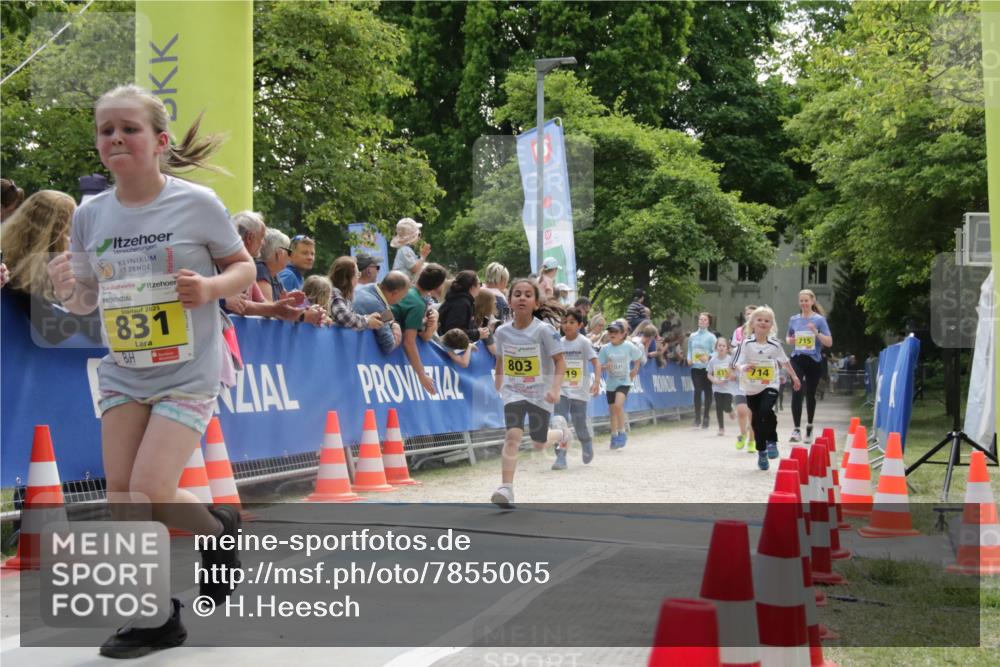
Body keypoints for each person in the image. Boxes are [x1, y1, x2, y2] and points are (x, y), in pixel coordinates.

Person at [45, 84, 255, 657]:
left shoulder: (197, 204)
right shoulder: (90, 214)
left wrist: (209, 286)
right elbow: (88, 302)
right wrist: (69, 290)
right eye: (105, 129)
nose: (115, 137)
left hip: (188, 369)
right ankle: (157, 619)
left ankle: (216, 530)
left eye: (128, 128)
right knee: (122, 497)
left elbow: (244, 267)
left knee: (151, 488)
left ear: (160, 142)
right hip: (124, 369)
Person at [491, 278, 568, 507]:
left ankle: (561, 434)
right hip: (513, 392)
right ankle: (506, 488)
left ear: (535, 303)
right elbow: (501, 360)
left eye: (527, 294)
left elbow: (560, 362)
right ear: (510, 301)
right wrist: (498, 382)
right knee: (512, 436)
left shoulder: (545, 331)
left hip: (540, 393)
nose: (522, 298)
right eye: (517, 294)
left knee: (538, 442)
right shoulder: (502, 332)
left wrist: (555, 389)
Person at [1, 190, 102, 344]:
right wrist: (91, 308)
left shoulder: (14, 263)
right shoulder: (21, 277)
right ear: (56, 234)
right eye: (71, 229)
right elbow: (53, 331)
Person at [731, 306, 801, 471]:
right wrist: (743, 368)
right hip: (751, 387)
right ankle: (762, 452)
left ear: (771, 325)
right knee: (756, 419)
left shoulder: (775, 345)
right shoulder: (746, 343)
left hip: (770, 383)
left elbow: (784, 361)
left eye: (767, 321)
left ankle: (771, 442)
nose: (763, 323)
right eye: (759, 320)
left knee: (764, 410)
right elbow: (734, 363)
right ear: (752, 323)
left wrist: (794, 376)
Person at [786, 289, 833, 444]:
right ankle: (796, 429)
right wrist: (790, 340)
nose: (804, 303)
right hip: (797, 358)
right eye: (801, 301)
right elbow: (788, 337)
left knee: (810, 394)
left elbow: (829, 342)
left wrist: (816, 332)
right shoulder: (794, 319)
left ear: (812, 301)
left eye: (806, 300)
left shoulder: (819, 320)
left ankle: (809, 426)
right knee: (797, 391)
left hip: (813, 360)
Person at [555, 308, 600, 468]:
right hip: (561, 389)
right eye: (565, 322)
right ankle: (561, 456)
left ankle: (586, 441)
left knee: (579, 422)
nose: (567, 325)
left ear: (580, 325)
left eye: (572, 322)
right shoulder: (558, 343)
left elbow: (596, 362)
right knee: (559, 422)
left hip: (579, 390)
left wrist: (596, 383)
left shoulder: (584, 342)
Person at [391, 262, 446, 395]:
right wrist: (422, 375)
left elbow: (422, 335)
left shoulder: (410, 293)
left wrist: (427, 322)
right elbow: (409, 342)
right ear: (437, 287)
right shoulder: (417, 304)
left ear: (420, 275)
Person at [598, 319, 644, 449]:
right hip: (611, 383)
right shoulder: (605, 349)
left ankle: (622, 432)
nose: (612, 334)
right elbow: (598, 365)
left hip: (624, 381)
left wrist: (635, 369)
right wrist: (605, 366)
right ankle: (613, 436)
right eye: (610, 331)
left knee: (618, 405)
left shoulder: (628, 346)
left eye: (615, 332)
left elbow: (638, 356)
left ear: (623, 334)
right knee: (612, 411)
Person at [353, 270, 409, 354]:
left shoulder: (371, 287)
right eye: (403, 296)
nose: (401, 300)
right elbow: (388, 345)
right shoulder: (377, 306)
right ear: (395, 293)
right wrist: (395, 330)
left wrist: (393, 322)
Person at [326, 256, 382, 331]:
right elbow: (346, 318)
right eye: (357, 274)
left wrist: (368, 318)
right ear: (347, 278)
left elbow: (352, 316)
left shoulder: (343, 296)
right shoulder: (334, 294)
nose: (358, 277)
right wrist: (367, 321)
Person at [437, 269, 490, 343]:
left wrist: (476, 330)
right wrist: (477, 334)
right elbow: (454, 332)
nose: (480, 287)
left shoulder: (460, 299)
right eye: (479, 283)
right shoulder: (461, 303)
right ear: (472, 287)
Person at [687, 312, 717, 429]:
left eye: (704, 320)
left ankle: (706, 416)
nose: (702, 321)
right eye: (700, 319)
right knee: (697, 390)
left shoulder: (711, 337)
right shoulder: (692, 336)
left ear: (709, 322)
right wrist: (689, 358)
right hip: (695, 367)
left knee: (708, 390)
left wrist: (709, 357)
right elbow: (689, 349)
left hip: (707, 368)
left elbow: (715, 352)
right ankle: (697, 417)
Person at [706, 337, 738, 437]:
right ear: (716, 348)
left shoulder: (730, 359)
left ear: (727, 348)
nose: (721, 348)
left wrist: (732, 375)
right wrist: (714, 380)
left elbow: (735, 372)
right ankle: (721, 428)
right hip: (717, 388)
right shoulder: (713, 361)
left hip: (729, 387)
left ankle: (730, 409)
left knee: (726, 406)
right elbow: (709, 374)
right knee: (718, 406)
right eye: (719, 346)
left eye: (723, 346)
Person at [473, 287, 498, 356]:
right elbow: (494, 351)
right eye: (494, 303)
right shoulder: (484, 328)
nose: (495, 306)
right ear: (487, 305)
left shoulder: (469, 319)